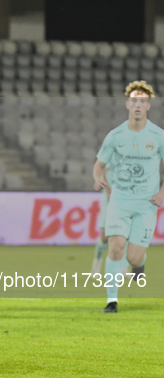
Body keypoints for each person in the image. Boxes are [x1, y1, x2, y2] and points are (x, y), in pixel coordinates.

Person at [93, 80, 164, 313]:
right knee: (116, 247)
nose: (137, 105)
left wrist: (162, 192)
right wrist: (98, 177)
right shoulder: (115, 135)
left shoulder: (158, 135)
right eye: (134, 100)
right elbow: (99, 164)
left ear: (148, 106)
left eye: (142, 101)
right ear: (127, 103)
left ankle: (139, 264)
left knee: (133, 257)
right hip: (120, 201)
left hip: (146, 204)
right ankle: (112, 301)